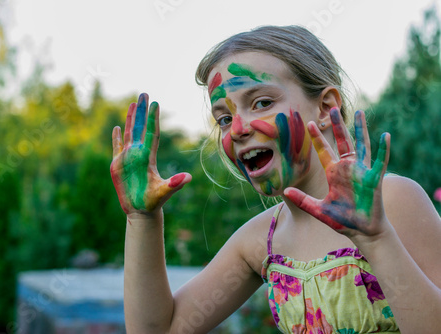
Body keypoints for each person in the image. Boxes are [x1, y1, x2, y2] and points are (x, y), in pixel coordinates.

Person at [110, 25, 441, 333]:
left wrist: (376, 237)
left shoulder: (394, 202)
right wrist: (142, 218)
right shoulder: (261, 240)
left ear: (326, 108)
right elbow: (159, 330)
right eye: (224, 118)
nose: (238, 129)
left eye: (262, 103)